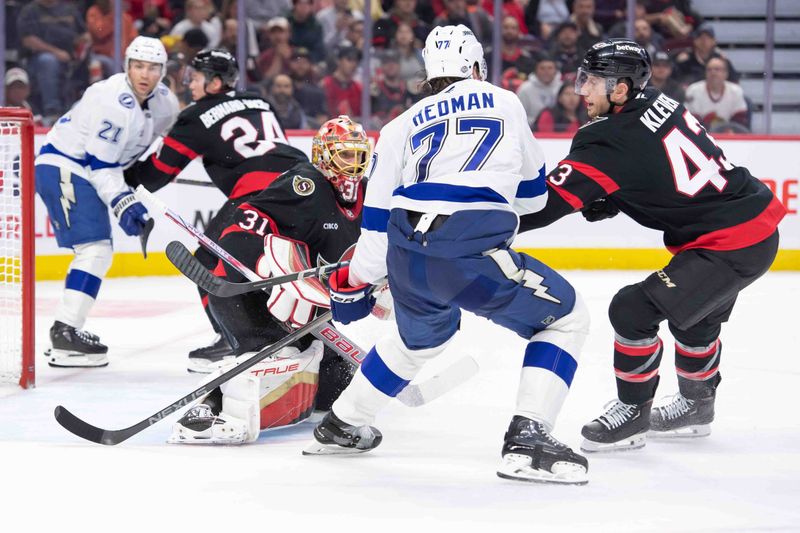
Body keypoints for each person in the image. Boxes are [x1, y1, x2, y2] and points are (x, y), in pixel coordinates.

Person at [305, 25, 591, 486]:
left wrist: (356, 282)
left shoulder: (399, 126)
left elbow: (374, 227)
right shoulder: (505, 100)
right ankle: (528, 440)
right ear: (476, 67)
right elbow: (535, 197)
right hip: (466, 249)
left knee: (420, 338)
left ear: (428, 73)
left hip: (404, 253)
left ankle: (340, 424)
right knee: (566, 318)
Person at [518, 39, 785, 453]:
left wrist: (479, 221)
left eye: (590, 81)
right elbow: (652, 165)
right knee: (694, 319)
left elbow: (544, 207)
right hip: (748, 227)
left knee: (632, 308)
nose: (581, 90)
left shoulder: (605, 139)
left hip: (729, 241)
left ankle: (633, 413)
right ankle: (697, 407)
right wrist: (616, 194)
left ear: (621, 89)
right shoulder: (657, 100)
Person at [168, 116, 372, 444]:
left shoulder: (367, 197)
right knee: (269, 353)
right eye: (345, 155)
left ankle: (268, 389)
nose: (354, 164)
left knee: (334, 382)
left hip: (304, 307)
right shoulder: (305, 184)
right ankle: (207, 408)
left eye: (359, 155)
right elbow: (243, 223)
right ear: (323, 155)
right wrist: (257, 268)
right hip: (247, 292)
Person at [124, 48, 307, 371]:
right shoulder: (259, 100)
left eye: (195, 77)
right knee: (284, 265)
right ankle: (297, 332)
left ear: (215, 82)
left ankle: (232, 339)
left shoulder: (194, 117)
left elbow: (155, 176)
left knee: (209, 263)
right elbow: (269, 151)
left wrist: (123, 173)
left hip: (258, 196)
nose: (188, 83)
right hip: (305, 185)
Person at [34, 36, 179, 367]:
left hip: (89, 171)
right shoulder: (110, 101)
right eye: (138, 66)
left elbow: (171, 143)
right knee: (95, 249)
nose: (144, 74)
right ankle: (65, 333)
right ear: (127, 66)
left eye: (153, 68)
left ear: (163, 71)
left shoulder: (165, 103)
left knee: (97, 250)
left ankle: (67, 331)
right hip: (66, 166)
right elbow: (100, 166)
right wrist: (123, 202)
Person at [684, 56, 749, 131]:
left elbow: (739, 121)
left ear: (726, 73)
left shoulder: (736, 91)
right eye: (709, 70)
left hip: (728, 136)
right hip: (701, 135)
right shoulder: (693, 90)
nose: (713, 73)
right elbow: (690, 121)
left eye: (717, 69)